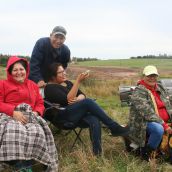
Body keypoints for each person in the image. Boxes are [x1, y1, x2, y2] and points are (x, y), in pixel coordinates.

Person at [44, 63, 129, 155]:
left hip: (76, 115)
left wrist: (77, 99)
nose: (64, 73)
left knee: (94, 119)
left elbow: (82, 95)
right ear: (52, 76)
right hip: (64, 117)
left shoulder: (68, 83)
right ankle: (113, 127)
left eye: (64, 71)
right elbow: (68, 100)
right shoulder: (49, 88)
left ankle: (97, 153)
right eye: (60, 72)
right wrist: (78, 81)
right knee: (88, 102)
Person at [0, 56, 58, 172]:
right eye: (15, 70)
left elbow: (40, 103)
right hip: (9, 115)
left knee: (37, 132)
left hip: (30, 116)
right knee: (14, 131)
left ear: (26, 70)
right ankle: (18, 163)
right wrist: (13, 112)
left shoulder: (32, 85)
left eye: (21, 69)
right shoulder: (3, 84)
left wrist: (37, 112)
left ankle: (27, 163)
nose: (19, 72)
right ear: (10, 72)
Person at [127, 65, 172, 161]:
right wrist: (164, 125)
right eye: (149, 76)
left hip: (164, 119)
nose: (152, 78)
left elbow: (169, 99)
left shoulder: (159, 87)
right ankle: (146, 153)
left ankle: (164, 149)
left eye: (154, 76)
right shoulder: (139, 92)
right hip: (144, 122)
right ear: (143, 76)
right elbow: (147, 113)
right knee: (158, 129)